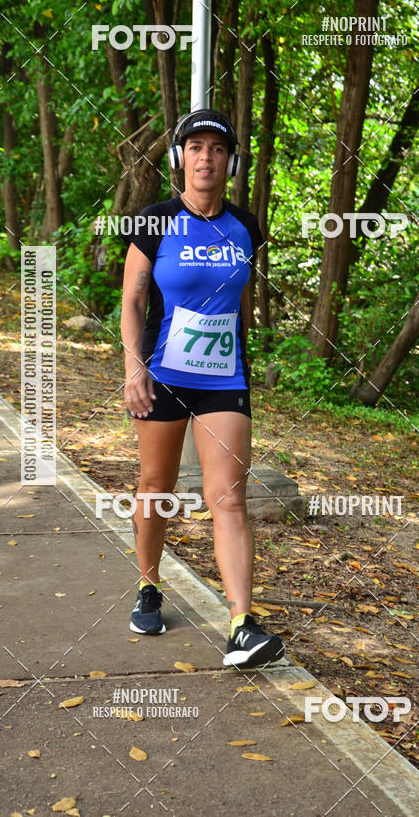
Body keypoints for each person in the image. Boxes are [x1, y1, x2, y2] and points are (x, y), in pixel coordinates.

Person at [120, 108, 285, 669]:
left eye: (217, 149)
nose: (206, 158)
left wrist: (244, 355)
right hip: (163, 373)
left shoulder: (245, 226)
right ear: (179, 158)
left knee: (228, 496)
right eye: (196, 148)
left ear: (230, 162)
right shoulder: (155, 221)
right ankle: (148, 587)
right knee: (156, 484)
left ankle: (242, 623)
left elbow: (240, 301)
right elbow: (133, 302)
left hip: (224, 378)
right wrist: (133, 368)